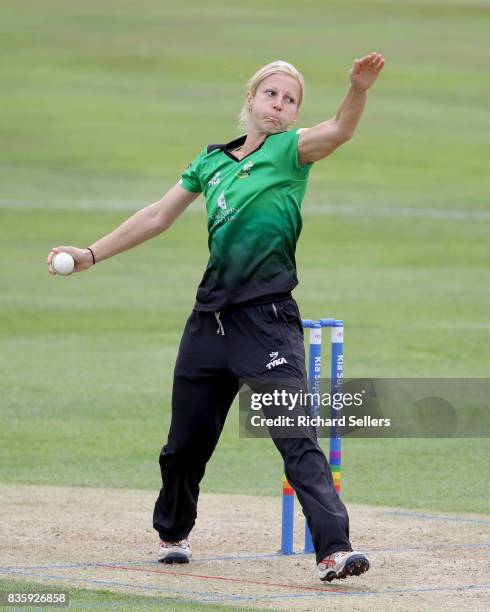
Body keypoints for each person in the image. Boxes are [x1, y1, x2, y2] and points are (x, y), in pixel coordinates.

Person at [47, 52, 385, 582]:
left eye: (290, 99)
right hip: (209, 324)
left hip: (267, 321)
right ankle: (173, 532)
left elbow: (341, 129)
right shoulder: (210, 163)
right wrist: (90, 254)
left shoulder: (290, 152)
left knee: (296, 436)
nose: (279, 104)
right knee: (184, 444)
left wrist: (358, 89)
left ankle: (334, 549)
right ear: (250, 99)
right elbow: (157, 216)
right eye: (271, 94)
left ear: (294, 114)